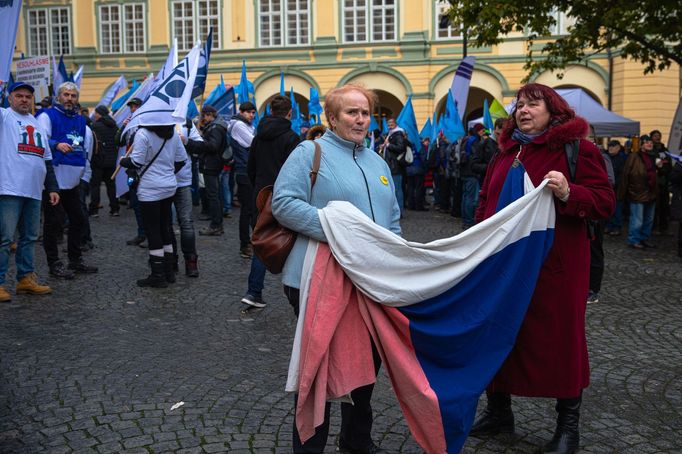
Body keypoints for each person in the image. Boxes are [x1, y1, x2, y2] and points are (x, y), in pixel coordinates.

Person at [473, 83, 614, 454]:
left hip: (556, 269)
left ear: (553, 111)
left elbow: (604, 202)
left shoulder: (577, 151)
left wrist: (570, 192)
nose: (523, 110)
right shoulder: (504, 153)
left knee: (562, 343)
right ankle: (499, 412)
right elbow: (486, 200)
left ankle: (568, 428)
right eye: (519, 104)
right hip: (501, 265)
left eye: (533, 104)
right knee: (499, 334)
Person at [272, 84, 399, 454]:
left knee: (366, 362)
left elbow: (391, 219)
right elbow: (284, 204)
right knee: (320, 366)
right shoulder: (309, 152)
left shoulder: (378, 162)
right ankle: (310, 446)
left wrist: (394, 257)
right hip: (316, 279)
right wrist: (341, 233)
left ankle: (356, 439)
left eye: (365, 113)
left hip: (369, 280)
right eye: (351, 112)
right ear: (332, 117)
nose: (360, 120)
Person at [0, 82, 60, 302]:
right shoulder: (4, 117)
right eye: (19, 96)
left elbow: (47, 160)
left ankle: (25, 279)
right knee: (4, 239)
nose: (24, 100)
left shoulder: (36, 123)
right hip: (9, 188)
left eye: (28, 96)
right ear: (10, 99)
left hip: (34, 191)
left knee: (29, 238)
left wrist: (52, 187)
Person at [241, 95, 301, 308]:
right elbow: (296, 171)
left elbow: (251, 167)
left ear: (270, 112)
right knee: (294, 240)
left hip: (261, 194)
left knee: (262, 241)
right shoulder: (292, 138)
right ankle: (298, 292)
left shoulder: (258, 136)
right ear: (289, 113)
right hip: (286, 195)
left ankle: (253, 291)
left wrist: (259, 188)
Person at [37, 82, 98, 279]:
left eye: (73, 95)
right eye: (66, 95)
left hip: (73, 180)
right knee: (53, 224)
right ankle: (54, 263)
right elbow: (39, 139)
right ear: (58, 96)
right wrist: (55, 144)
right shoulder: (48, 115)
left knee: (79, 219)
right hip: (54, 178)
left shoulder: (81, 120)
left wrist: (84, 172)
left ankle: (75, 259)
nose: (69, 99)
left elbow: (83, 147)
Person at [119, 123, 188, 287]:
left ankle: (158, 275)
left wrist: (123, 161)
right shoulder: (173, 132)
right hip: (169, 185)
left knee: (152, 230)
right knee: (165, 227)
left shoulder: (143, 133)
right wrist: (166, 172)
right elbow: (182, 160)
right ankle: (169, 271)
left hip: (150, 188)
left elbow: (136, 162)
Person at [115, 97, 146, 247]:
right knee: (135, 202)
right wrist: (123, 127)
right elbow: (118, 141)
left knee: (146, 202)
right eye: (131, 107)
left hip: (144, 169)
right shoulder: (129, 126)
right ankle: (142, 233)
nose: (133, 109)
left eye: (135, 106)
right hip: (131, 170)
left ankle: (149, 234)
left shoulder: (145, 124)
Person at [618, 135, 658, 249]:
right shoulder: (634, 156)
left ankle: (644, 238)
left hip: (651, 192)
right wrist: (624, 192)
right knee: (637, 220)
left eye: (650, 142)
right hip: (637, 192)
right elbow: (626, 174)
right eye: (646, 142)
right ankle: (634, 239)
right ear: (641, 145)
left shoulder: (653, 156)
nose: (649, 144)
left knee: (648, 219)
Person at [194, 105, 229, 236]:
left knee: (213, 196)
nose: (203, 118)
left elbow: (213, 146)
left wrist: (200, 140)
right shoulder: (217, 126)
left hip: (211, 164)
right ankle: (217, 224)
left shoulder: (215, 128)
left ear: (209, 115)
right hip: (213, 164)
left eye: (204, 116)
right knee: (215, 194)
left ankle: (216, 225)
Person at [229, 101, 257, 258]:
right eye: (248, 112)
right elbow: (253, 143)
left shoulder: (245, 125)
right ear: (241, 112)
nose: (251, 115)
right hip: (243, 170)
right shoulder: (239, 125)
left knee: (252, 209)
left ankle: (251, 242)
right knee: (247, 210)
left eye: (253, 112)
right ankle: (245, 244)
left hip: (247, 170)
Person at [176, 119, 203, 277]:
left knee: (186, 222)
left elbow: (201, 146)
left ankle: (190, 262)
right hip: (161, 181)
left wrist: (186, 141)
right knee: (165, 223)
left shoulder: (185, 122)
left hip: (183, 180)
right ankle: (169, 260)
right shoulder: (154, 119)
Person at [89, 105, 120, 217]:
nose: (94, 115)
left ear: (99, 114)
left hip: (98, 160)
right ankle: (115, 208)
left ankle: (94, 210)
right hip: (111, 161)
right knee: (111, 186)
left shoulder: (95, 126)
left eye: (96, 113)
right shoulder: (114, 126)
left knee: (95, 186)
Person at [460, 123, 486, 229]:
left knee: (466, 196)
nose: (483, 133)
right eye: (482, 131)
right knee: (472, 198)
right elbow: (476, 156)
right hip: (471, 172)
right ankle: (469, 221)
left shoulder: (466, 139)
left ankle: (465, 219)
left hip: (464, 171)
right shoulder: (475, 141)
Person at [382, 117, 409, 215]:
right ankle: (395, 211)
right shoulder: (392, 134)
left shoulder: (398, 134)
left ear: (395, 124)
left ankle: (399, 212)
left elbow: (400, 147)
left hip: (395, 167)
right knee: (394, 189)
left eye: (391, 124)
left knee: (397, 190)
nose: (389, 126)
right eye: (388, 124)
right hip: (391, 165)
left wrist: (388, 145)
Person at [604, 139, 628, 236]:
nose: (610, 148)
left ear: (618, 147)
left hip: (618, 189)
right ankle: (609, 226)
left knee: (617, 209)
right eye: (609, 146)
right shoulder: (606, 157)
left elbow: (622, 175)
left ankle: (616, 227)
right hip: (608, 188)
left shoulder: (622, 159)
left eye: (613, 146)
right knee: (609, 209)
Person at [650, 129, 672, 235]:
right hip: (654, 183)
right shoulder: (651, 150)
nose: (657, 137)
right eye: (655, 135)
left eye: (659, 135)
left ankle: (664, 227)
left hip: (664, 182)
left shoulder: (664, 149)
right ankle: (653, 227)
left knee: (664, 206)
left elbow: (668, 163)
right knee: (654, 207)